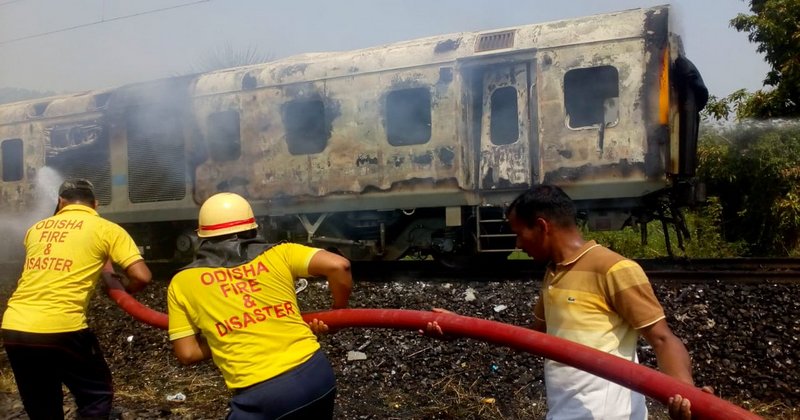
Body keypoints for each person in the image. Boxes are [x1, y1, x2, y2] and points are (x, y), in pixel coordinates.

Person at [426, 184, 711, 420]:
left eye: (519, 233)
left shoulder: (614, 268)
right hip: (565, 412)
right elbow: (531, 338)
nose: (517, 245)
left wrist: (685, 393)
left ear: (541, 227)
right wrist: (460, 326)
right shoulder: (554, 272)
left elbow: (661, 338)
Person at [166, 192, 353, 419]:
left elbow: (187, 353)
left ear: (202, 236)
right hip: (317, 375)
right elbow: (339, 265)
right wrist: (338, 310)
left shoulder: (183, 282)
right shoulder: (281, 253)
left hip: (263, 396)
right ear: (253, 229)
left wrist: (229, 333)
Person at [1, 178, 153, 419]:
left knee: (41, 404)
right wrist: (123, 287)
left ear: (60, 202)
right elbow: (142, 276)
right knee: (97, 394)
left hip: (15, 327)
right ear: (96, 204)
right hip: (63, 328)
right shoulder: (106, 229)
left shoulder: (36, 229)